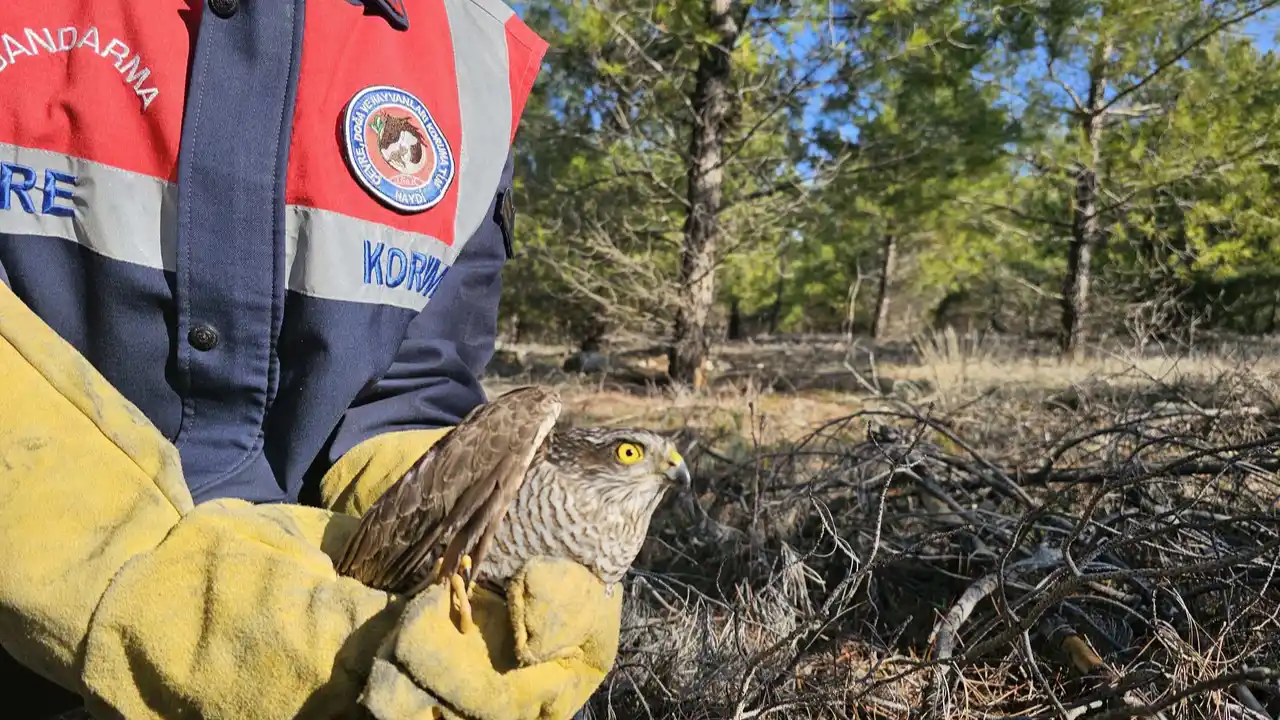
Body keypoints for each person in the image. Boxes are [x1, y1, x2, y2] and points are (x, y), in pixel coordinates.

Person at [0, 1, 621, 718]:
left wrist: (492, 541)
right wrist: (154, 594)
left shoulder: (469, 44)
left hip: (322, 670)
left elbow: (409, 388)